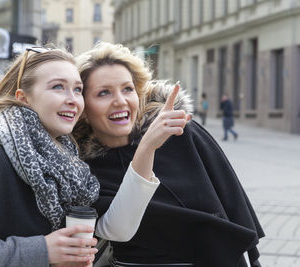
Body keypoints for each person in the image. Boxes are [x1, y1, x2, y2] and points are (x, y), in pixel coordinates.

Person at [0, 46, 160, 267]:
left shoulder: (72, 165)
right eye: (58, 87)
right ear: (23, 97)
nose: (72, 99)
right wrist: (43, 250)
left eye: (77, 89)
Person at [73, 42, 264, 267]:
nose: (121, 101)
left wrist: (252, 257)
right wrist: (147, 147)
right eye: (104, 93)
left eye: (128, 89)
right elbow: (115, 229)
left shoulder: (181, 132)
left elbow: (231, 195)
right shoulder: (83, 168)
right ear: (84, 109)